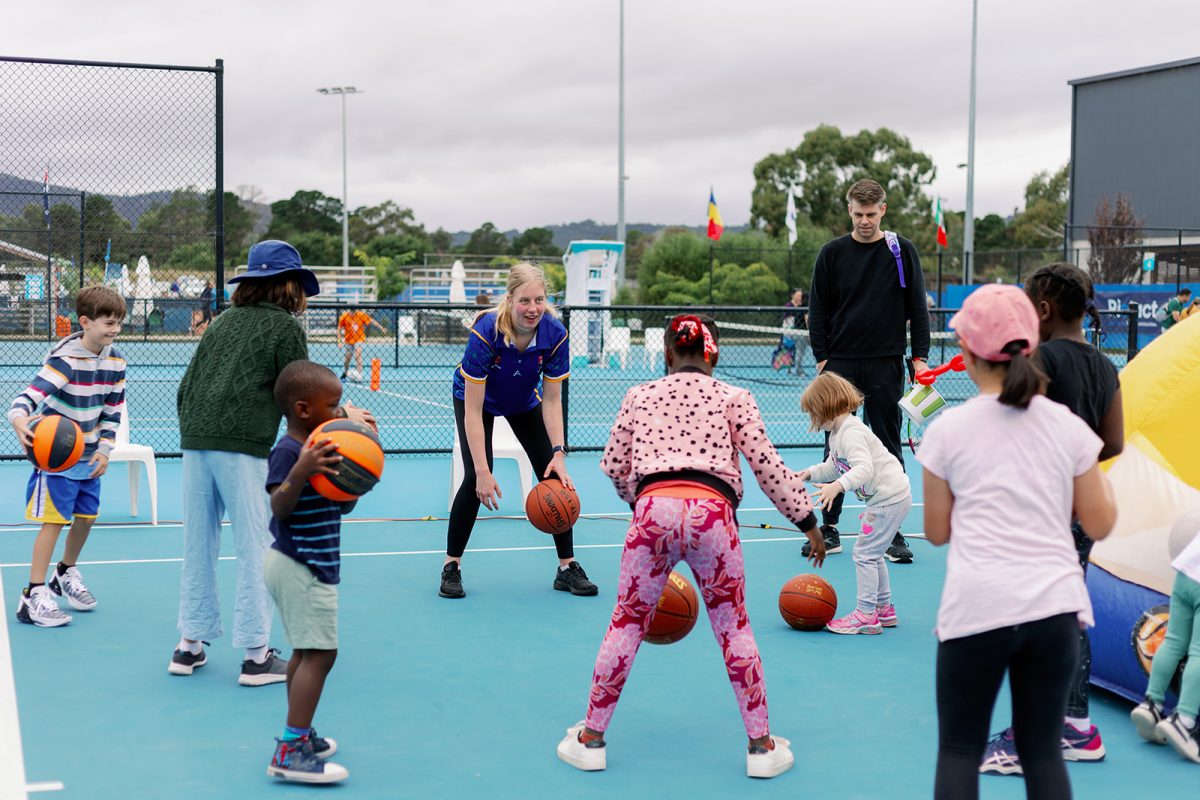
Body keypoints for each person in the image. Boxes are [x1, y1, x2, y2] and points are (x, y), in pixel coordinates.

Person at [556, 314, 824, 779]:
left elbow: (616, 466)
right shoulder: (734, 397)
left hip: (653, 510)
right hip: (713, 515)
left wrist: (642, 502)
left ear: (665, 354)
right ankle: (761, 747)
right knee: (734, 628)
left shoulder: (638, 395)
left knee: (626, 624)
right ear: (712, 352)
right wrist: (806, 519)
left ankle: (592, 739)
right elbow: (767, 465)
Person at [917, 284, 1117, 800]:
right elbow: (1100, 522)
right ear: (1030, 344)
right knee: (1042, 752)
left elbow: (937, 531)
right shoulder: (1067, 427)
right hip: (1053, 609)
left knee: (959, 750)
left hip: (976, 607)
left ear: (965, 353)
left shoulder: (948, 431)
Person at [171, 239, 374, 684]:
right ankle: (256, 656)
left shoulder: (222, 323)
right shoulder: (284, 327)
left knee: (197, 545)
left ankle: (188, 647)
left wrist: (200, 428)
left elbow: (186, 387)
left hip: (195, 439)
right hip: (242, 447)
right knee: (257, 548)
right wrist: (344, 416)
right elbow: (304, 394)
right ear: (289, 286)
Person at [979, 263, 1123, 775]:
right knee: (1066, 612)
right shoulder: (1105, 367)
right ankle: (1076, 726)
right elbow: (1115, 442)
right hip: (1081, 506)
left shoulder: (1039, 359)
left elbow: (1011, 426)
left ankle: (1032, 732)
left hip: (1037, 509)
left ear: (1041, 309)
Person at [441, 262, 595, 599]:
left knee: (554, 478)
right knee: (474, 479)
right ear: (510, 299)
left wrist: (559, 453)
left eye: (539, 300)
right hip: (476, 402)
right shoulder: (487, 331)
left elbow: (552, 401)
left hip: (523, 401)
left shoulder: (555, 334)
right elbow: (471, 408)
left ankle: (567, 567)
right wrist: (482, 470)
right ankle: (452, 566)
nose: (533, 309)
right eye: (525, 300)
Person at [806, 178, 929, 563]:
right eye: (858, 214)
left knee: (888, 445)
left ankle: (891, 530)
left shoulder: (901, 251)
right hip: (839, 363)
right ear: (849, 211)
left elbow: (917, 309)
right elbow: (818, 310)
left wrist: (920, 357)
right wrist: (824, 360)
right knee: (836, 445)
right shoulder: (831, 254)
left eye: (871, 214)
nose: (864, 221)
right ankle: (829, 528)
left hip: (887, 360)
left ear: (884, 211)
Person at [264, 360, 369, 784]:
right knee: (322, 654)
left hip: (310, 562)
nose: (341, 412)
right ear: (304, 410)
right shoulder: (290, 452)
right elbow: (278, 507)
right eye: (335, 405)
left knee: (305, 653)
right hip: (299, 564)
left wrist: (360, 478)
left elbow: (340, 505)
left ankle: (300, 735)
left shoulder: (328, 446)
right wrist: (302, 469)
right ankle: (290, 750)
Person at [9, 286, 127, 627]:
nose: (115, 329)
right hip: (57, 457)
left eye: (119, 322)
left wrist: (105, 448)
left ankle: (64, 572)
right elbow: (27, 398)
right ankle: (32, 595)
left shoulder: (116, 360)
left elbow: (112, 411)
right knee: (54, 523)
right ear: (85, 322)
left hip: (90, 456)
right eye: (108, 322)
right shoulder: (64, 361)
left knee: (86, 518)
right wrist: (18, 419)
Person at [798, 371, 912, 634]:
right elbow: (833, 465)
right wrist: (809, 474)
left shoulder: (851, 432)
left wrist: (837, 487)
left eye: (814, 412)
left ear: (826, 406)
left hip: (888, 500)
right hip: (888, 498)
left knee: (863, 554)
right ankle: (883, 610)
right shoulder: (839, 432)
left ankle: (866, 615)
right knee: (873, 554)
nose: (813, 419)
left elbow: (864, 469)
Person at [1130, 507, 1200, 763]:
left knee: (1173, 640)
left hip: (1186, 573)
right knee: (1199, 652)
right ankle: (1185, 720)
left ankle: (1152, 703)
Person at [337, 308, 386, 381]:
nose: (353, 313)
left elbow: (371, 321)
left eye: (354, 311)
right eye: (351, 311)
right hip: (348, 340)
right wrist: (339, 341)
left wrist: (381, 327)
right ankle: (345, 372)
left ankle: (359, 375)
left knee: (358, 355)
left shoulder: (360, 314)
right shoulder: (344, 316)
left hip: (359, 339)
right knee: (347, 358)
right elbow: (339, 328)